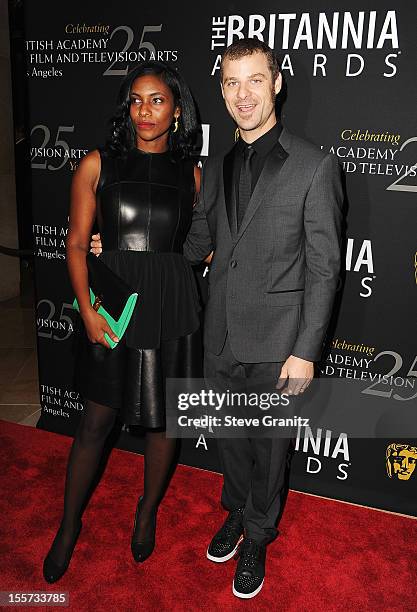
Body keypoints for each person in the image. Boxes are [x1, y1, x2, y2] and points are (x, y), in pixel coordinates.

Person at [91, 38, 343, 599]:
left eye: (255, 80)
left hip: (280, 342)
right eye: (231, 83)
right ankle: (236, 511)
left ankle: (257, 533)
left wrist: (306, 350)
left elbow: (327, 269)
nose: (243, 94)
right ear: (222, 92)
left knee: (268, 446)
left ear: (276, 84)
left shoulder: (314, 164)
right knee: (229, 439)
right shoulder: (220, 165)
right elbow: (195, 244)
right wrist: (127, 252)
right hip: (219, 334)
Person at [43, 60, 202, 584]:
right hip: (113, 306)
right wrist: (86, 310)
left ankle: (146, 510)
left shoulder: (192, 173)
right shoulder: (97, 164)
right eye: (136, 100)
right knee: (94, 421)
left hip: (171, 305)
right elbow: (73, 246)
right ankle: (68, 525)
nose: (145, 111)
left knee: (164, 423)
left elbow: (200, 246)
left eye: (157, 100)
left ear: (177, 109)